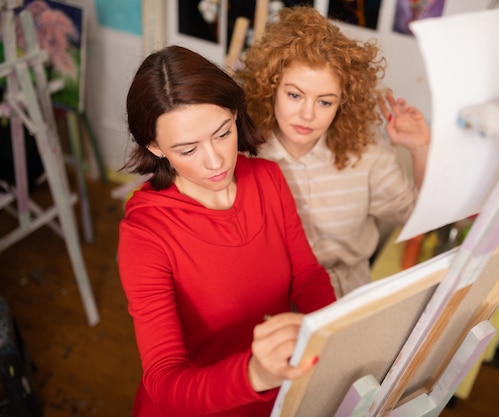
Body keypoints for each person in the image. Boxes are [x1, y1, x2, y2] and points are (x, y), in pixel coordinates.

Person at [117, 45, 336, 417]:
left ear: (235, 114)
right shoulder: (145, 234)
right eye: (188, 149)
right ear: (155, 147)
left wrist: (338, 340)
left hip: (276, 395)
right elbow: (165, 379)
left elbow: (307, 276)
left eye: (222, 133)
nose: (216, 161)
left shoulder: (267, 178)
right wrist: (253, 374)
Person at [236, 6, 431, 297]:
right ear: (270, 87)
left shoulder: (367, 157)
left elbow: (419, 217)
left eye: (325, 102)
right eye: (294, 95)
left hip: (346, 301)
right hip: (269, 304)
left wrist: (420, 148)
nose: (307, 114)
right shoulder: (241, 157)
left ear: (343, 104)